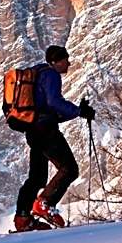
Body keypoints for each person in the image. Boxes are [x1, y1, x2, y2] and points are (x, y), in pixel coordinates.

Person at [14, 45, 95, 231]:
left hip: (33, 129)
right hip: (46, 130)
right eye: (66, 59)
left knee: (36, 178)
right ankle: (44, 203)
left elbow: (50, 110)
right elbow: (54, 102)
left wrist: (77, 112)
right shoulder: (51, 75)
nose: (69, 63)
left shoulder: (37, 73)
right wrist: (79, 110)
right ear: (57, 61)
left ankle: (22, 219)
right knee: (69, 168)